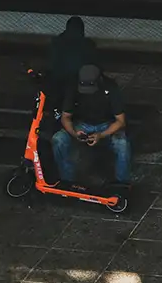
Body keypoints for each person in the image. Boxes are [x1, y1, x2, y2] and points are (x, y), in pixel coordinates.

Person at [39, 17, 99, 184]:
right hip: (78, 89)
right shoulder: (87, 45)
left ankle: (65, 177)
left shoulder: (56, 43)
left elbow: (51, 66)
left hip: (58, 90)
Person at [53, 64, 130, 188]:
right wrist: (74, 133)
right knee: (58, 139)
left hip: (107, 125)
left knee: (122, 144)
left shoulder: (110, 88)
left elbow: (120, 121)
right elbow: (65, 117)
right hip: (81, 125)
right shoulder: (73, 87)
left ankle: (121, 185)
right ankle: (67, 181)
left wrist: (101, 135)